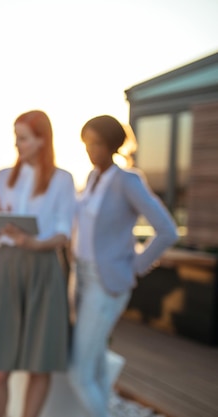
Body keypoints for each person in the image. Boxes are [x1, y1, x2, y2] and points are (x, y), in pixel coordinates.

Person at [68, 115, 178, 417]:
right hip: (83, 279)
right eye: (86, 143)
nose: (90, 150)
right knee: (97, 364)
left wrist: (135, 267)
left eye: (97, 143)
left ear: (112, 145)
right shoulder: (91, 178)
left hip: (107, 284)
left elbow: (167, 229)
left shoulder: (127, 180)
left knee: (79, 371)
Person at [0, 110, 75, 417]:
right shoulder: (4, 176)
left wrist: (33, 243)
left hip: (44, 269)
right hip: (7, 266)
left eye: (24, 138)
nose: (17, 145)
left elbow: (63, 233)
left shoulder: (62, 180)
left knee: (39, 362)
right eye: (16, 138)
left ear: (43, 140)